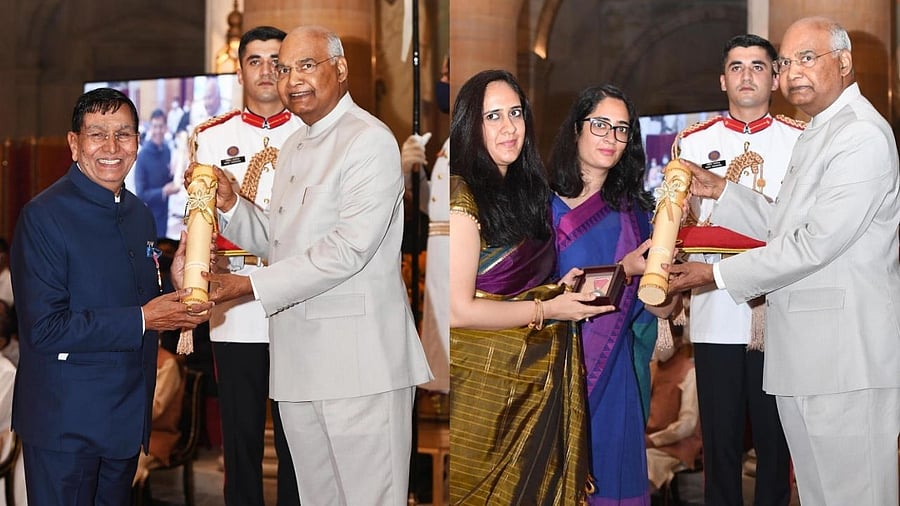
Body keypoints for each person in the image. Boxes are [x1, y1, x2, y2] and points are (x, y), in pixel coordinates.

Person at [192, 25, 432, 505]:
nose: (291, 79)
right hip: (298, 369)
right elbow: (278, 242)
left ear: (339, 70)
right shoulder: (297, 145)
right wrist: (231, 204)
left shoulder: (369, 140)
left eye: (306, 65)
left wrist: (249, 286)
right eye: (284, 69)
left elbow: (349, 248)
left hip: (359, 368)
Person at [667, 16, 900, 506]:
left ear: (845, 62)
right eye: (789, 61)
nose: (794, 71)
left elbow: (815, 242)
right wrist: (724, 192)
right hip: (808, 358)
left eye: (807, 58)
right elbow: (785, 225)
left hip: (843, 360)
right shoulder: (821, 132)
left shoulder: (859, 136)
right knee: (819, 495)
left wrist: (716, 273)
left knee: (854, 495)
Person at [9, 87, 212, 504]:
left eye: (123, 134)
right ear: (73, 144)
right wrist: (144, 319)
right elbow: (45, 329)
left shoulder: (139, 213)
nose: (111, 147)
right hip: (66, 423)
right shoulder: (43, 216)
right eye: (97, 134)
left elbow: (130, 297)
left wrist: (174, 284)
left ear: (138, 143)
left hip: (124, 418)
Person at [448, 69, 614, 505]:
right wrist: (549, 311)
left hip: (533, 383)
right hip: (484, 388)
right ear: (471, 124)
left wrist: (554, 290)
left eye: (516, 113)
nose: (509, 127)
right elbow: (459, 310)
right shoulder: (461, 194)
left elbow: (516, 284)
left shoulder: (527, 193)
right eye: (493, 116)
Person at [671, 34, 798, 506]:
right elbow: (677, 219)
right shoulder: (694, 141)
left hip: (781, 308)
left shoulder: (799, 140)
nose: (747, 75)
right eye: (738, 66)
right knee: (719, 443)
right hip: (716, 305)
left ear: (775, 77)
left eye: (758, 66)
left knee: (774, 442)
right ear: (723, 78)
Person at [546, 84, 677, 505]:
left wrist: (667, 283)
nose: (610, 138)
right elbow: (530, 292)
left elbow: (660, 308)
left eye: (622, 130)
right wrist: (625, 270)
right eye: (600, 125)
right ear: (576, 130)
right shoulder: (538, 207)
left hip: (615, 372)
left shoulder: (637, 215)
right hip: (549, 370)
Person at [192, 25, 302, 505]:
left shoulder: (313, 130)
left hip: (297, 296)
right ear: (239, 70)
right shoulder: (212, 137)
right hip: (234, 304)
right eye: (254, 60)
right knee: (240, 441)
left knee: (298, 436)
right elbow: (197, 220)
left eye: (276, 60)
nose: (265, 71)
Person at [400, 53, 450, 393]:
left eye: (449, 72)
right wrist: (409, 173)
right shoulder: (451, 140)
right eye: (443, 70)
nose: (442, 80)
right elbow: (435, 207)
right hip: (440, 252)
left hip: (457, 255)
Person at [645, 320, 701, 495]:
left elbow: (687, 424)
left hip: (676, 446)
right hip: (646, 440)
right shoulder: (651, 368)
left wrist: (654, 440)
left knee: (643, 464)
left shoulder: (690, 371)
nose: (658, 344)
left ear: (677, 341)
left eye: (664, 338)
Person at [132, 338, 185, 487]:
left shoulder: (167, 363)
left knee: (129, 461)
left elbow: (155, 409)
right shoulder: (131, 357)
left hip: (157, 435)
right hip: (128, 431)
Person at [134, 108, 178, 235]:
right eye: (155, 126)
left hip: (164, 215)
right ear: (150, 128)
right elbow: (140, 194)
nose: (158, 131)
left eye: (161, 126)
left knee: (162, 251)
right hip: (148, 218)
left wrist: (175, 175)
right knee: (150, 253)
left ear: (165, 128)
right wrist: (163, 192)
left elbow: (168, 181)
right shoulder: (142, 156)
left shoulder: (166, 151)